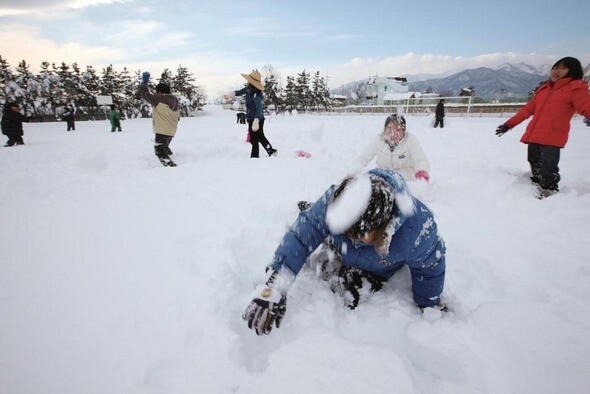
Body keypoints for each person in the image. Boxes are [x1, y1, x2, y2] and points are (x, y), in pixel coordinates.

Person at [242, 168, 446, 336]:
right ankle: (313, 209)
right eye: (345, 230)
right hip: (337, 248)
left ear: (383, 226)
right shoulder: (337, 201)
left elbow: (430, 266)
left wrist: (428, 303)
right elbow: (301, 237)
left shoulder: (417, 231)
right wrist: (276, 285)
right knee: (313, 237)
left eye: (359, 235)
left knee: (348, 294)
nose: (352, 238)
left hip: (374, 268)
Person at [495, 57, 590, 198]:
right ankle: (537, 181)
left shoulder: (574, 89)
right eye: (555, 67)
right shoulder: (544, 90)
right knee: (534, 161)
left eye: (563, 68)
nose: (557, 71)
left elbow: (585, 104)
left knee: (548, 167)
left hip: (552, 137)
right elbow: (526, 111)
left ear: (573, 71)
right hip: (534, 134)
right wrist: (508, 125)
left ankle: (549, 189)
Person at [355, 114, 430, 182]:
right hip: (383, 178)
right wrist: (353, 172)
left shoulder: (410, 140)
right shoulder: (378, 140)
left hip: (405, 180)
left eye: (398, 130)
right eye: (389, 128)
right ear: (384, 130)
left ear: (404, 131)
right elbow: (363, 159)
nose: (392, 133)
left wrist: (422, 170)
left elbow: (421, 160)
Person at [139, 71, 181, 167]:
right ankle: (173, 157)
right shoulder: (174, 100)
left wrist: (144, 83)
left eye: (156, 92)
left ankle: (171, 166)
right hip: (171, 130)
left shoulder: (159, 99)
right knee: (164, 147)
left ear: (159, 92)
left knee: (159, 150)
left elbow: (144, 94)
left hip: (162, 130)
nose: (155, 94)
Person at [234, 70, 277, 158]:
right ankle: (271, 151)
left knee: (254, 139)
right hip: (251, 117)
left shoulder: (256, 93)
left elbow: (259, 108)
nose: (248, 81)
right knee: (260, 136)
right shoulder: (248, 89)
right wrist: (232, 93)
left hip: (257, 119)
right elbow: (239, 92)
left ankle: (254, 157)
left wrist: (256, 119)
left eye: (249, 80)